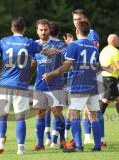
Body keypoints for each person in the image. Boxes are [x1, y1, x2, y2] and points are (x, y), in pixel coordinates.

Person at [43, 20, 104, 152]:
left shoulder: (74, 45)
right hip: (93, 84)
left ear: (77, 31)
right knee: (94, 115)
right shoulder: (93, 45)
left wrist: (51, 74)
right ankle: (97, 146)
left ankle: (78, 146)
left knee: (73, 114)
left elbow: (66, 66)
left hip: (79, 84)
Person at [0, 17, 42, 155]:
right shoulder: (29, 42)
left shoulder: (3, 41)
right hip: (20, 85)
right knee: (20, 117)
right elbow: (38, 58)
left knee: (2, 115)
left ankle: (0, 143)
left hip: (4, 84)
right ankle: (20, 149)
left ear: (11, 28)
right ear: (24, 28)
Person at [63, 8, 100, 145]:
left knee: (75, 113)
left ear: (85, 19)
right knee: (91, 113)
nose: (76, 22)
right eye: (74, 19)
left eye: (79, 19)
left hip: (83, 79)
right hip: (89, 79)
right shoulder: (81, 40)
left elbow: (77, 60)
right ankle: (93, 142)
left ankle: (81, 141)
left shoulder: (91, 34)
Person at [32, 19, 67, 150]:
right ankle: (40, 144)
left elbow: (68, 57)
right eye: (40, 30)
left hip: (56, 84)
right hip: (39, 85)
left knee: (57, 112)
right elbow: (31, 62)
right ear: (37, 31)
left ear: (49, 30)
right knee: (40, 113)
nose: (43, 32)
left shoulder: (59, 44)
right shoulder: (34, 45)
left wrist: (57, 51)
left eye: (45, 29)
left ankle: (62, 141)